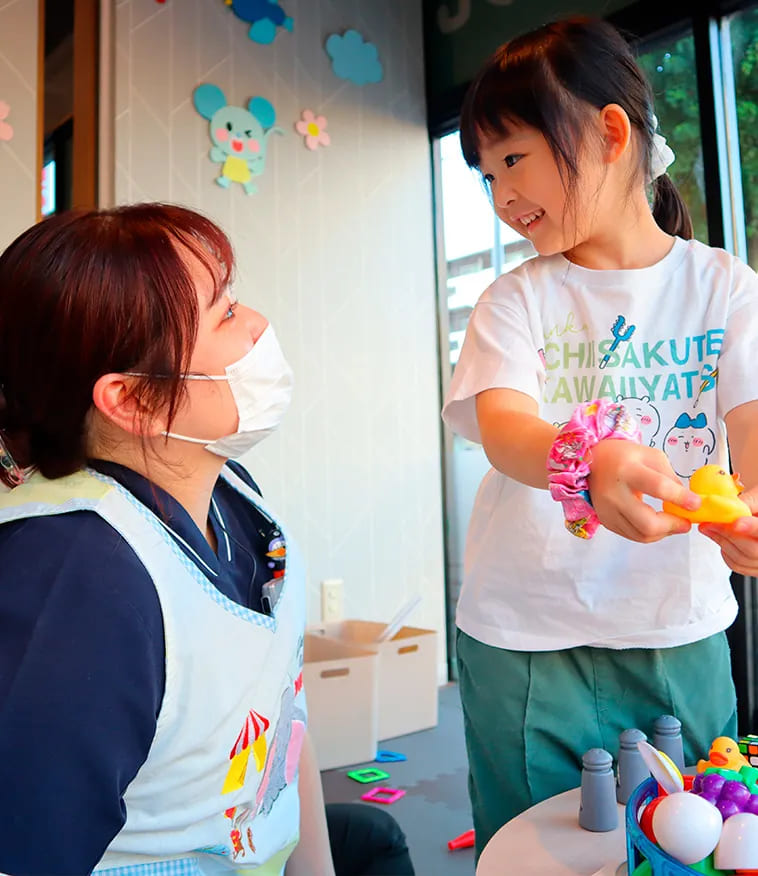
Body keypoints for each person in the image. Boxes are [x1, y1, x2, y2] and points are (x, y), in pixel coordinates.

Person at [0, 203, 414, 876]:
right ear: (129, 399)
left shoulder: (234, 496)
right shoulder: (79, 582)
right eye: (223, 315)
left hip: (256, 840)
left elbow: (285, 712)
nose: (257, 326)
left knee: (374, 839)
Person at [441, 15, 758, 858]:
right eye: (485, 175)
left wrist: (752, 514)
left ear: (609, 132)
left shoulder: (723, 287)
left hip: (675, 626)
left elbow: (754, 435)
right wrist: (588, 459)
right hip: (523, 635)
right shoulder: (517, 298)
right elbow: (505, 427)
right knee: (530, 850)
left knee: (695, 842)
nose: (502, 196)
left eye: (512, 159)